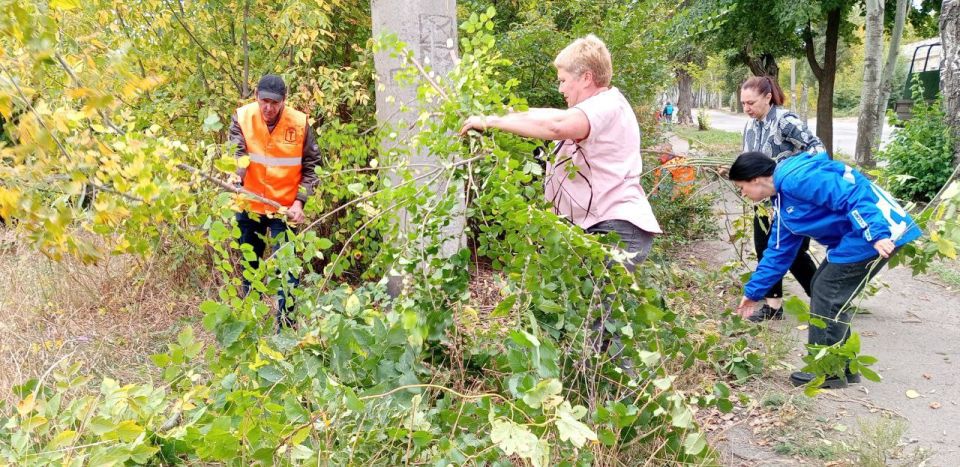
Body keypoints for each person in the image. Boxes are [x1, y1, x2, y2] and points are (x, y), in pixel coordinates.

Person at [459, 34, 662, 361]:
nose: (561, 88)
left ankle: (621, 399)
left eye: (564, 80)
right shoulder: (597, 106)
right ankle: (602, 394)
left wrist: (494, 121)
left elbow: (555, 126)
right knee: (598, 319)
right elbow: (544, 113)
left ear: (586, 78)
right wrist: (501, 117)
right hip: (604, 225)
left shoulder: (605, 106)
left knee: (605, 322)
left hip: (617, 228)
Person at [729, 151, 920, 388]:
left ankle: (828, 371)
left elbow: (851, 194)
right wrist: (753, 293)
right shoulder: (782, 201)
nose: (742, 194)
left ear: (755, 179)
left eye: (741, 187)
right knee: (822, 286)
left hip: (875, 235)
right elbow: (778, 253)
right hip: (856, 238)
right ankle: (844, 368)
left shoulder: (796, 178)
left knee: (827, 291)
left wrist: (876, 232)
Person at [229, 74, 320, 328]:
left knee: (287, 272)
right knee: (251, 268)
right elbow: (237, 153)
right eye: (264, 101)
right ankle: (251, 325)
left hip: (285, 209)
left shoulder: (300, 123)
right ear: (256, 96)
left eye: (274, 103)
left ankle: (287, 330)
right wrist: (235, 175)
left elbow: (312, 166)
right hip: (250, 206)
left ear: (284, 101)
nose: (268, 108)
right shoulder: (243, 117)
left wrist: (299, 202)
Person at [739, 76, 825, 323]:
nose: (747, 108)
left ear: (768, 97)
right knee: (765, 251)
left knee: (795, 254)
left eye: (751, 102)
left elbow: (816, 150)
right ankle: (773, 306)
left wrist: (788, 174)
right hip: (763, 202)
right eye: (743, 103)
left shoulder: (786, 121)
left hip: (792, 200)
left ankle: (826, 300)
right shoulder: (751, 125)